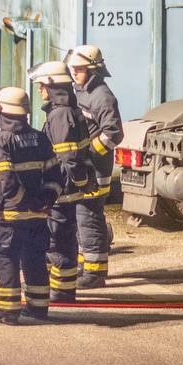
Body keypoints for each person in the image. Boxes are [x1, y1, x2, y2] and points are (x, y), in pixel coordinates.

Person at [0, 86, 57, 324]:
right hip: (39, 215)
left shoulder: (3, 139)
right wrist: (45, 201)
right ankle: (39, 308)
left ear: (2, 110)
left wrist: (26, 203)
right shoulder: (40, 137)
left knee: (7, 258)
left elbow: (6, 181)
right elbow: (55, 177)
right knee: (35, 258)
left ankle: (9, 311)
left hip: (13, 215)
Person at [28, 59, 93, 303]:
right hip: (67, 188)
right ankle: (56, 287)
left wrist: (79, 181)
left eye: (42, 85)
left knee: (59, 241)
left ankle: (63, 292)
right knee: (59, 239)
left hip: (62, 190)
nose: (39, 90)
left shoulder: (60, 114)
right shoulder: (68, 110)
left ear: (53, 86)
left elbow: (68, 156)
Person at [66, 44, 123, 290]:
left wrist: (88, 152)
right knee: (81, 219)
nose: (74, 73)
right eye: (73, 69)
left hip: (96, 171)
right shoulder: (81, 92)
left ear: (93, 70)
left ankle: (95, 273)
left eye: (79, 70)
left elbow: (114, 134)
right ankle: (85, 266)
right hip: (85, 169)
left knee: (89, 219)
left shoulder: (101, 96)